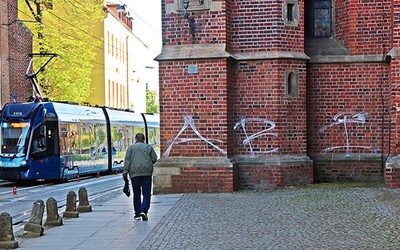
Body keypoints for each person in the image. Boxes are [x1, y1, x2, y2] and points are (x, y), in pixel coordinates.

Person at [123, 133, 157, 221]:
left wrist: (125, 172)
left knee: (136, 194)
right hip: (146, 173)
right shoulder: (148, 147)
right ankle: (144, 210)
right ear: (144, 139)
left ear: (135, 139)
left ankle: (137, 213)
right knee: (146, 193)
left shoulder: (131, 148)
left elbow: (127, 161)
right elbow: (154, 159)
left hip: (134, 174)